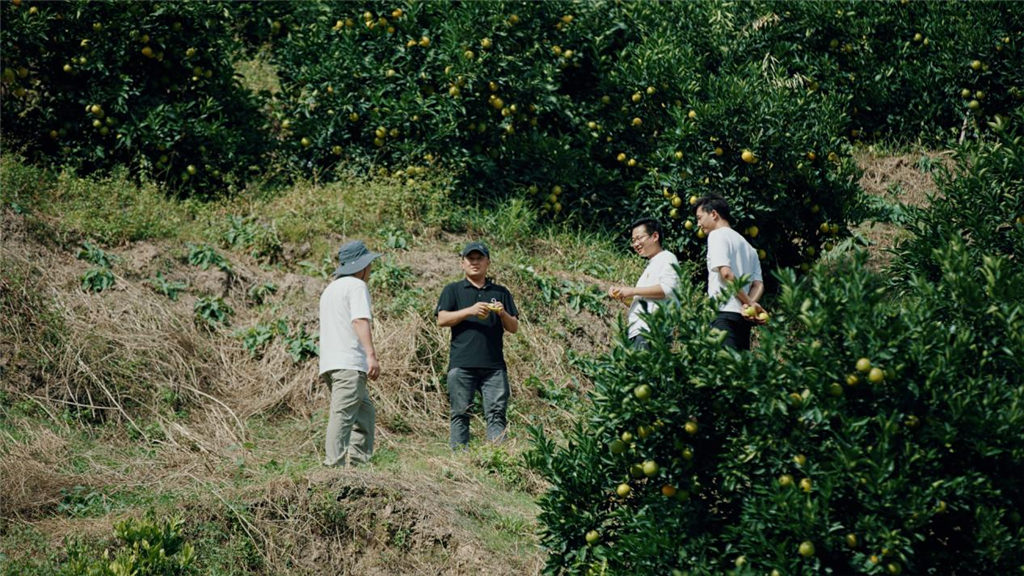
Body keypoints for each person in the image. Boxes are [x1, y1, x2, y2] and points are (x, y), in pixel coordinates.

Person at [436, 241, 519, 449]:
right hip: (461, 363)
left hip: (494, 367)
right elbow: (442, 319)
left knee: (497, 414)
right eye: (470, 259)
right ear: (462, 263)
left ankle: (498, 459)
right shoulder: (453, 290)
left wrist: (502, 313)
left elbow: (513, 327)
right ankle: (459, 460)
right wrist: (470, 311)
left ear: (487, 263)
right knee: (460, 413)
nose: (475, 262)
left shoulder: (500, 292)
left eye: (479, 258)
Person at [318, 240, 382, 467]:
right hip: (349, 364)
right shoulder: (356, 286)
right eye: (369, 265)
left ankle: (358, 468)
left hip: (330, 363)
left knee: (365, 415)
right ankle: (332, 469)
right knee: (342, 417)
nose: (371, 270)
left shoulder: (330, 289)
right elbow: (359, 320)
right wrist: (371, 355)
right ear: (362, 266)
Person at [694, 195, 767, 351]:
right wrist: (749, 304)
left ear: (713, 214)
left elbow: (726, 274)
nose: (698, 224)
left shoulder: (716, 235)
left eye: (699, 218)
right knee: (739, 370)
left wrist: (748, 301)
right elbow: (758, 285)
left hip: (722, 313)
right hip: (743, 318)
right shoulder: (749, 248)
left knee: (724, 370)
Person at [607, 218, 680, 350]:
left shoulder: (667, 257)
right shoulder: (651, 264)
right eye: (633, 240)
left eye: (639, 238)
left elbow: (668, 289)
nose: (635, 244)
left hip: (651, 330)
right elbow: (646, 299)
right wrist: (623, 296)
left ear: (655, 236)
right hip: (639, 331)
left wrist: (633, 290)